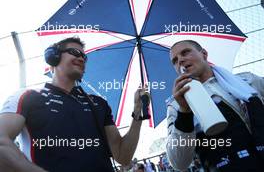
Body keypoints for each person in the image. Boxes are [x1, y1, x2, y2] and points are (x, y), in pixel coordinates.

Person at [0, 37, 148, 172]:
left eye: (84, 56)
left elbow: (123, 156)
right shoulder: (26, 97)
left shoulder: (98, 103)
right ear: (53, 57)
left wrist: (137, 113)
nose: (81, 58)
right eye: (75, 52)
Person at [166, 40, 264, 172]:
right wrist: (184, 113)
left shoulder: (247, 80)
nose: (180, 60)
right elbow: (179, 163)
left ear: (204, 54)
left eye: (185, 52)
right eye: (175, 60)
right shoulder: (176, 105)